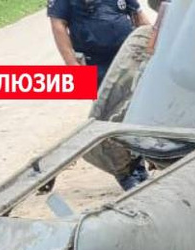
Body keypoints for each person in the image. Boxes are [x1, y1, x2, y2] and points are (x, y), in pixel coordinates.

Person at [49, 0, 151, 189]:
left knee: (133, 112)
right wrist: (72, 65)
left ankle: (139, 168)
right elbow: (58, 25)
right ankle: (126, 173)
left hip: (126, 59)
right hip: (93, 62)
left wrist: (153, 44)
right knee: (109, 118)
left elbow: (137, 15)